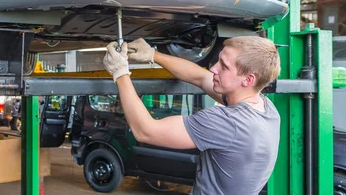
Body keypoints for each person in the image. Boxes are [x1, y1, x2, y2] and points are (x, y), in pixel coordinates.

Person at [103, 36, 281, 195]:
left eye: (224, 67)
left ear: (248, 79)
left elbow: (146, 131)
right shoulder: (266, 108)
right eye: (218, 61)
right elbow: (200, 77)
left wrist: (120, 73)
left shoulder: (227, 122)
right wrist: (152, 55)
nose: (213, 69)